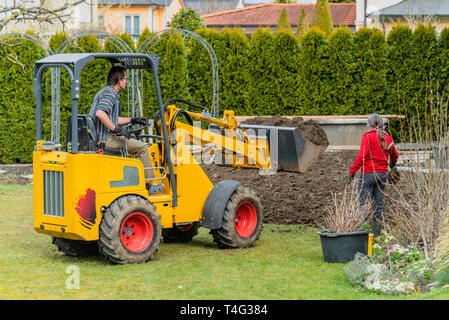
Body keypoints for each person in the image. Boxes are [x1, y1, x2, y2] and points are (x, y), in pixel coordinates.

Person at [89, 65, 154, 185]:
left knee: (131, 141)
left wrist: (133, 120)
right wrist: (117, 129)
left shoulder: (104, 91)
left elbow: (111, 119)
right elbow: (100, 113)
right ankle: (148, 184)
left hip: (99, 137)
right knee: (142, 148)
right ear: (119, 80)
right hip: (104, 139)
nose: (126, 82)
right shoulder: (111, 93)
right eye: (125, 79)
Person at [347, 113, 399, 237]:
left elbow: (362, 156)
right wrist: (392, 165)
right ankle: (376, 236)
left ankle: (361, 234)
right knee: (378, 206)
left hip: (368, 174)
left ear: (368, 124)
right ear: (382, 124)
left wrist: (352, 171)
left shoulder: (367, 137)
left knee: (363, 205)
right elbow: (395, 155)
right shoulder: (388, 137)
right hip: (382, 175)